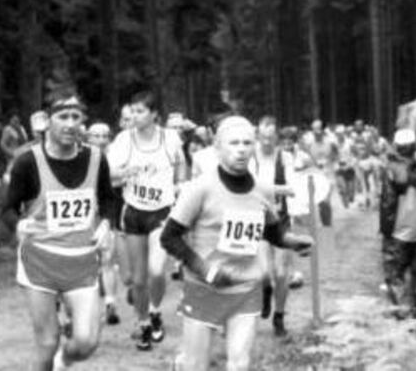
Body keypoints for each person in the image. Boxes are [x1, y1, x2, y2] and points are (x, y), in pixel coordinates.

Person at [160, 116, 312, 371]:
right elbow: (169, 237)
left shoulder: (262, 190)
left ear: (254, 147)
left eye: (246, 143)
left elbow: (273, 233)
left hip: (245, 287)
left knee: (239, 365)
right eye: (233, 143)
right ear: (217, 148)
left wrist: (292, 242)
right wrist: (205, 269)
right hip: (203, 288)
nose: (241, 149)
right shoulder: (200, 188)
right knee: (196, 366)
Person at [2, 93, 114, 371]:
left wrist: (106, 223)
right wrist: (18, 223)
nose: (70, 123)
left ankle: (63, 361)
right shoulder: (28, 162)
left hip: (82, 261)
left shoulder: (96, 158)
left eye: (76, 117)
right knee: (47, 341)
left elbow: (109, 198)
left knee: (86, 342)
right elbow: (6, 208)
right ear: (47, 121)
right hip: (40, 260)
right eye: (63, 117)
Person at [107, 91, 188, 350]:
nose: (134, 115)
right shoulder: (123, 140)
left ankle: (155, 310)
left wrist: (180, 184)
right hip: (133, 213)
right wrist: (124, 173)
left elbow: (181, 163)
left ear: (154, 114)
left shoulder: (170, 138)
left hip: (162, 212)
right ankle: (143, 323)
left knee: (156, 270)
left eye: (141, 111)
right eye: (132, 111)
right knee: (138, 280)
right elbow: (110, 178)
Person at [250, 116, 295, 336]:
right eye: (263, 137)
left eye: (271, 137)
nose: (267, 141)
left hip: (282, 220)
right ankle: (265, 292)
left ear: (276, 137)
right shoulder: (250, 157)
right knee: (263, 273)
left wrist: (271, 191)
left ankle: (279, 316)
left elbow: (293, 187)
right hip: (257, 220)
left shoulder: (285, 157)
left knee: (281, 272)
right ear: (258, 135)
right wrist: (275, 190)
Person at [379, 128, 416, 310]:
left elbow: (388, 201)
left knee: (396, 268)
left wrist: (386, 229)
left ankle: (401, 306)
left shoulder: (392, 169)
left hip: (400, 226)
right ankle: (414, 305)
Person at [86, 121, 121, 325]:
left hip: (106, 214)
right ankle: (90, 308)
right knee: (89, 263)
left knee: (107, 259)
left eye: (104, 136)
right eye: (96, 136)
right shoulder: (81, 157)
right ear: (88, 137)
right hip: (84, 217)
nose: (100, 140)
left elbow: (118, 178)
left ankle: (110, 303)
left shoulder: (115, 154)